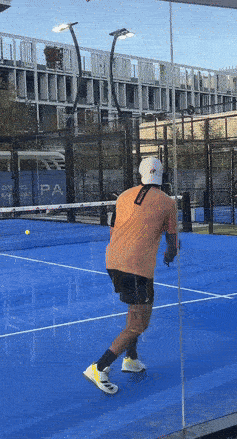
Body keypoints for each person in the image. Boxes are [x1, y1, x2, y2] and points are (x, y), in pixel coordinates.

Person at [83, 157, 178, 395]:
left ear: (140, 174)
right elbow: (173, 243)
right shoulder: (168, 203)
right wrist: (170, 255)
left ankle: (131, 359)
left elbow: (115, 228)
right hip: (137, 269)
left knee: (137, 309)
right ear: (162, 176)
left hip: (113, 262)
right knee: (139, 323)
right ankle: (99, 367)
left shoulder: (124, 196)